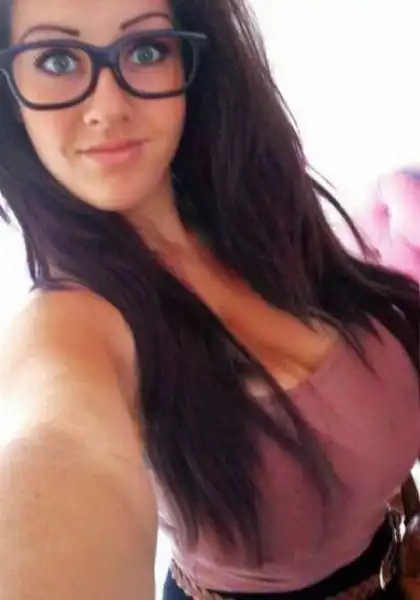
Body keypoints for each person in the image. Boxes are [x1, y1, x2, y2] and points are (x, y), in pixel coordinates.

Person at [0, 0, 418, 599]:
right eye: (58, 60)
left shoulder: (264, 216)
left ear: (192, 62)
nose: (108, 106)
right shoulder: (69, 324)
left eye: (146, 50)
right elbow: (58, 447)